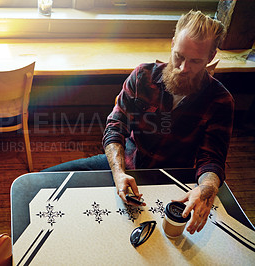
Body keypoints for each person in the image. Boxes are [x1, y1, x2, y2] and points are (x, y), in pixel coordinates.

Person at [43, 10, 234, 235]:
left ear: (211, 57)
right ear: (172, 44)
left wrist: (205, 189)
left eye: (194, 61)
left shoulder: (220, 101)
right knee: (44, 181)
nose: (183, 68)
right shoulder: (142, 76)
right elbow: (115, 126)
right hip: (126, 162)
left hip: (170, 181)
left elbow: (212, 159)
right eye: (179, 56)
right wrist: (119, 173)